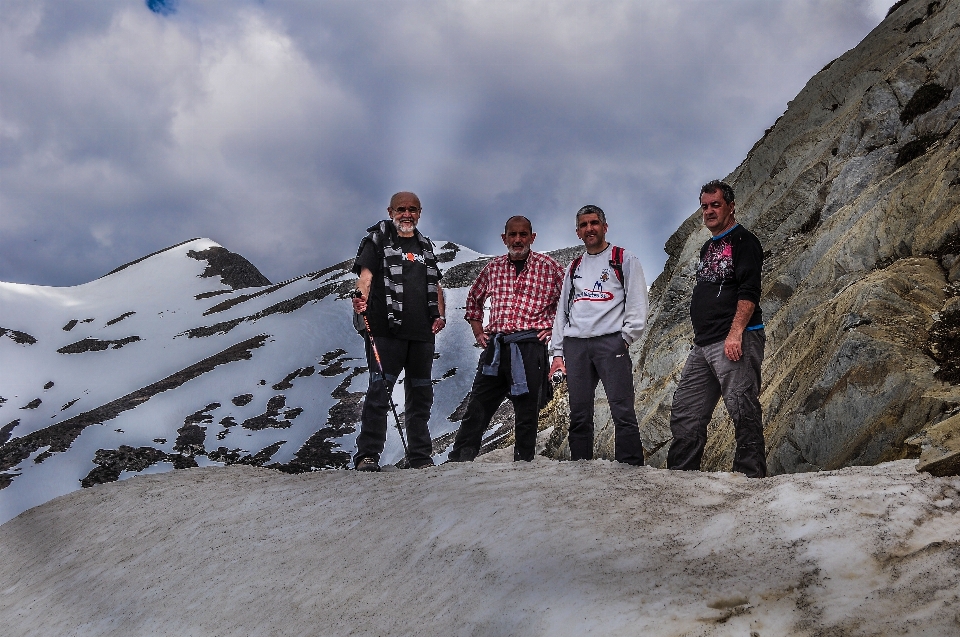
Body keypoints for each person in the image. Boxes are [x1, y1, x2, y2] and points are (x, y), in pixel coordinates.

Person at [667, 180, 766, 477]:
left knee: (742, 408)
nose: (709, 211)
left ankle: (750, 479)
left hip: (736, 339)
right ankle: (680, 478)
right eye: (705, 206)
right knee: (686, 410)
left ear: (731, 206)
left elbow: (749, 292)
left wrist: (735, 333)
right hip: (703, 344)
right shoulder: (708, 247)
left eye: (716, 205)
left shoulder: (744, 241)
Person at [446, 216, 564, 462]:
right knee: (479, 403)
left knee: (527, 408)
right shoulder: (494, 267)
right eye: (513, 235)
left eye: (523, 235)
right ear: (504, 238)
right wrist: (479, 332)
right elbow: (474, 300)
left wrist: (554, 327)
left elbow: (569, 301)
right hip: (497, 347)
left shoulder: (549, 266)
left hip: (530, 345)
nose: (518, 240)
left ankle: (524, 462)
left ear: (532, 237)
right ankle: (459, 460)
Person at [351, 192, 446, 471]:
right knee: (380, 393)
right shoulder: (377, 240)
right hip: (385, 330)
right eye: (401, 209)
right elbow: (365, 277)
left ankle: (420, 457)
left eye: (412, 209)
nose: (407, 214)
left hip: (421, 334)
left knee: (420, 397)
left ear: (420, 212)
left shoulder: (425, 246)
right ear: (391, 210)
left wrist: (439, 315)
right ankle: (367, 456)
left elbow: (436, 286)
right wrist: (360, 299)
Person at [549, 205, 648, 465]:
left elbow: (638, 302)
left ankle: (630, 468)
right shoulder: (575, 266)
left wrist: (625, 337)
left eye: (594, 223)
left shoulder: (623, 259)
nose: (589, 229)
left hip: (610, 342)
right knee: (579, 412)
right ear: (578, 232)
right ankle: (581, 466)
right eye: (583, 225)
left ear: (605, 226)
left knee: (622, 409)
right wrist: (558, 352)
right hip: (576, 346)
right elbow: (563, 310)